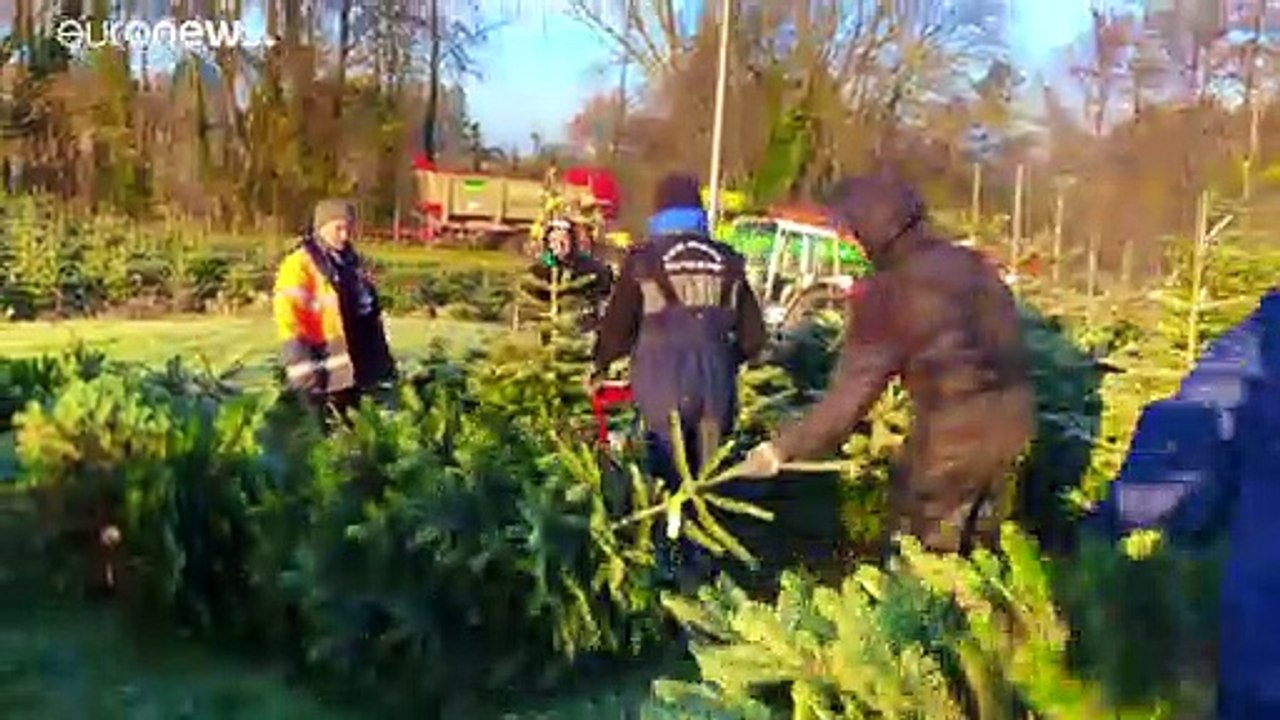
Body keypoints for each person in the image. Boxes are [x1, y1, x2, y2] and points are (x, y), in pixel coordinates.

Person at [735, 173, 1035, 556]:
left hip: (951, 444)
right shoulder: (972, 266)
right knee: (983, 555)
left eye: (851, 230)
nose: (849, 241)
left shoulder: (888, 294)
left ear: (874, 228)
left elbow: (847, 401)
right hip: (1013, 428)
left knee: (925, 557)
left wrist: (781, 450)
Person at [590, 173, 767, 584]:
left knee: (664, 478)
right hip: (716, 384)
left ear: (659, 212)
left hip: (660, 382)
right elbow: (755, 338)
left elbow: (617, 329)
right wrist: (725, 359)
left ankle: (665, 570)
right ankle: (706, 574)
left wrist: (599, 364)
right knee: (707, 484)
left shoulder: (644, 260)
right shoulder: (729, 260)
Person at [272, 198, 396, 428]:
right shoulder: (298, 265)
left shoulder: (353, 265)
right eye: (338, 228)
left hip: (357, 370)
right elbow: (290, 321)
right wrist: (303, 371)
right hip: (321, 369)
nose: (344, 235)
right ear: (321, 227)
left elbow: (367, 316)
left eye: (348, 228)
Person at [525, 215, 614, 332]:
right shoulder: (541, 268)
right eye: (553, 241)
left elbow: (601, 289)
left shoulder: (590, 268)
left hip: (579, 326)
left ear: (572, 241)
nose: (558, 246)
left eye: (563, 241)